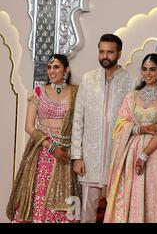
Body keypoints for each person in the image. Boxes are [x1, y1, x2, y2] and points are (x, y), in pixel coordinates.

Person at [7, 54, 80, 222]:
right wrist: (51, 146)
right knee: (39, 195)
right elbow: (29, 126)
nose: (52, 71)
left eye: (56, 67)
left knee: (63, 198)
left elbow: (80, 123)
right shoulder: (39, 91)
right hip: (42, 152)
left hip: (65, 153)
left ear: (66, 70)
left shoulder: (76, 92)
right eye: (49, 67)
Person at [104, 53, 157, 222]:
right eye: (144, 69)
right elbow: (120, 126)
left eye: (152, 69)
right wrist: (143, 128)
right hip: (132, 150)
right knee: (133, 192)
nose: (147, 73)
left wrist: (144, 154)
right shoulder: (131, 96)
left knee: (155, 193)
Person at [71, 33, 133, 223]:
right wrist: (77, 156)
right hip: (89, 158)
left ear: (119, 53)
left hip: (117, 157)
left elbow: (132, 119)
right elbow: (78, 119)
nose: (105, 56)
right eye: (102, 52)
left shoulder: (130, 81)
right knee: (87, 212)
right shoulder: (88, 79)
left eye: (110, 52)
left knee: (117, 212)